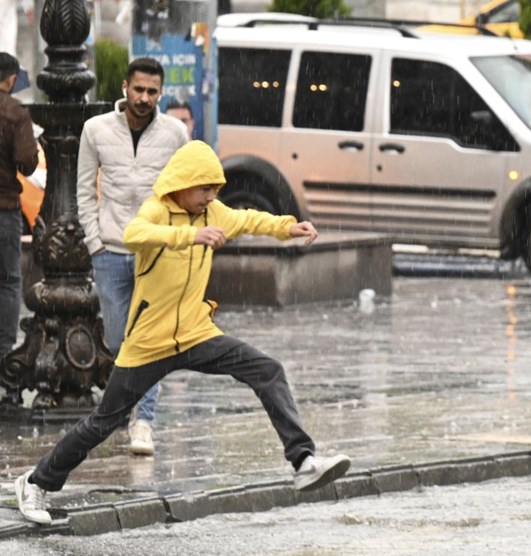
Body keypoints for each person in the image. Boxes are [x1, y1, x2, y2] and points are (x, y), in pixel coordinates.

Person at [13, 140, 352, 525]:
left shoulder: (213, 212)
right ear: (183, 183)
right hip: (149, 343)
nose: (211, 197)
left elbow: (249, 219)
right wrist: (190, 237)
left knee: (267, 369)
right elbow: (136, 233)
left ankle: (303, 461)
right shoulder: (157, 209)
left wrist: (288, 227)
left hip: (195, 333)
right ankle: (37, 483)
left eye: (216, 189)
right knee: (104, 422)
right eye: (205, 188)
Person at [78, 57, 189, 455]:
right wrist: (95, 242)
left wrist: (176, 240)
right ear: (125, 87)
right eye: (138, 89)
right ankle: (126, 408)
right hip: (110, 250)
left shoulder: (175, 133)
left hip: (155, 252)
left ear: (161, 93)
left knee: (149, 338)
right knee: (116, 338)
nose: (144, 98)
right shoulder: (96, 129)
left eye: (152, 92)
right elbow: (85, 191)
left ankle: (143, 421)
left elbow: (185, 192)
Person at [0, 51, 37, 403]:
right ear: (11, 79)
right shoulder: (14, 112)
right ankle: (4, 357)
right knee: (9, 283)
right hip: (4, 211)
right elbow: (27, 163)